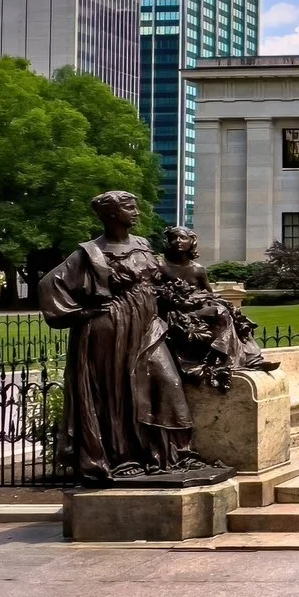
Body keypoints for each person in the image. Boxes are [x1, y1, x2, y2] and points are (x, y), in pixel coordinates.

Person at [34, 191, 203, 483]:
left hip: (149, 325)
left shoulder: (143, 244)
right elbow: (50, 284)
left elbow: (160, 281)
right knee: (118, 392)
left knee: (167, 382)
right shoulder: (90, 252)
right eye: (129, 208)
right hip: (111, 328)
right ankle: (122, 457)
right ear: (111, 214)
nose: (136, 212)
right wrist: (83, 312)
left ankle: (171, 454)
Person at [156, 225, 275, 391]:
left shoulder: (198, 269)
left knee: (228, 313)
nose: (178, 241)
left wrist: (208, 300)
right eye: (174, 238)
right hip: (174, 312)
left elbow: (210, 293)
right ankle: (233, 360)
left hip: (196, 309)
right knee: (221, 312)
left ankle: (250, 358)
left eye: (183, 237)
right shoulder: (160, 265)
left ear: (192, 242)